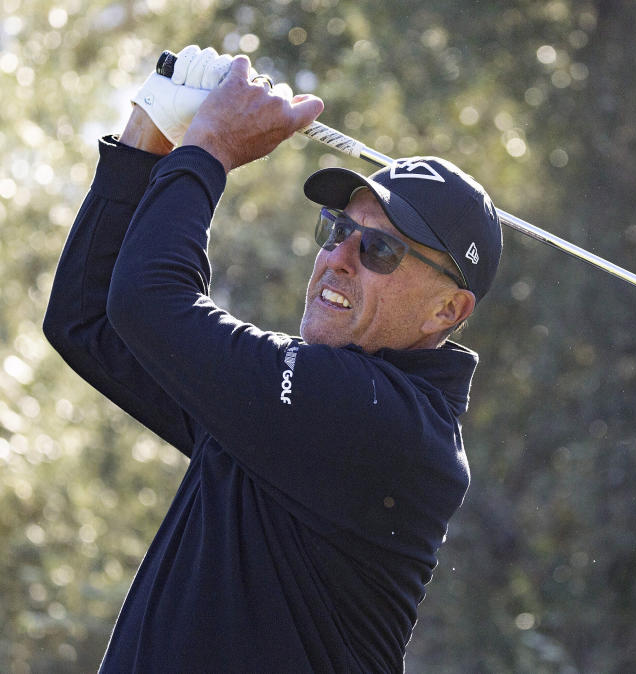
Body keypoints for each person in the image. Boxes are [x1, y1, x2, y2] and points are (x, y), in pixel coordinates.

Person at [43, 46, 502, 672]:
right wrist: (150, 127)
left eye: (380, 251)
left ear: (446, 312)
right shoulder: (288, 410)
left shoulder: (383, 423)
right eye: (338, 230)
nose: (338, 258)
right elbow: (88, 320)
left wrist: (208, 149)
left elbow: (150, 303)